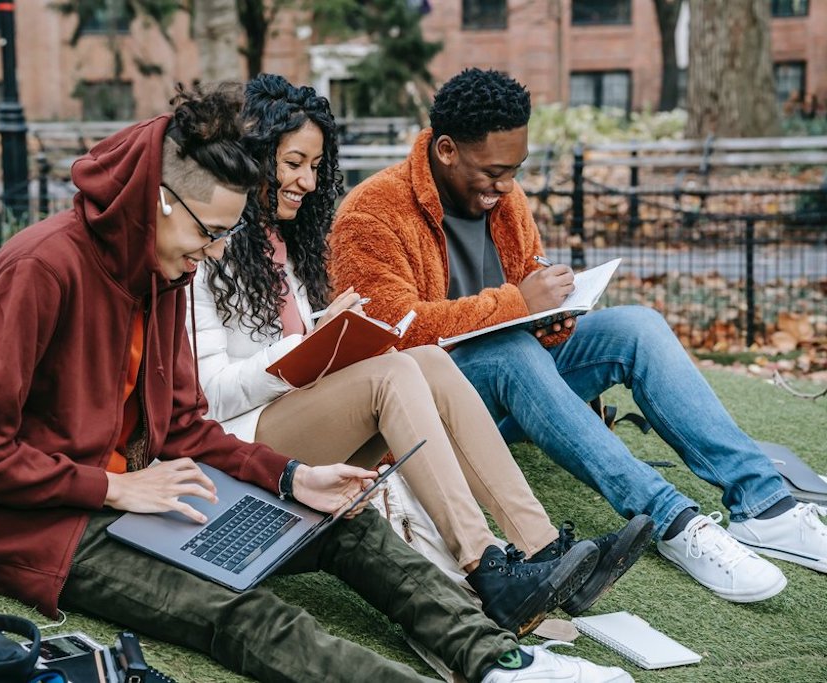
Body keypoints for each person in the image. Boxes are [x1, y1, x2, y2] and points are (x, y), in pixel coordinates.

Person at [0, 82, 631, 683]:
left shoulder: (163, 268)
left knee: (343, 523)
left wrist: (293, 477)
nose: (209, 255)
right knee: (237, 609)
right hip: (47, 525)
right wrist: (115, 487)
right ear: (162, 201)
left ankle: (500, 662)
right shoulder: (39, 270)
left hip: (154, 486)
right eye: (206, 234)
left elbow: (184, 427)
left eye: (222, 239)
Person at [329, 68, 827, 604]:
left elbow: (527, 280)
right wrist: (519, 305)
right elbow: (386, 336)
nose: (505, 187)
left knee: (637, 326)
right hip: (436, 404)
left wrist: (553, 313)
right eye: (494, 172)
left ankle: (764, 506)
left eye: (515, 170)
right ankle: (674, 521)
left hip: (518, 374)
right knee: (506, 350)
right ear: (447, 150)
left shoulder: (505, 196)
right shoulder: (371, 212)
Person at [189, 73, 652, 637]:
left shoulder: (290, 243)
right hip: (240, 442)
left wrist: (329, 337)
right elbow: (208, 395)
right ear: (253, 156)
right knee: (392, 372)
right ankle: (486, 567)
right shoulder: (202, 246)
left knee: (426, 361)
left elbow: (300, 344)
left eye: (314, 166)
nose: (307, 182)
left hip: (298, 412)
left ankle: (540, 549)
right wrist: (310, 345)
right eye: (292, 164)